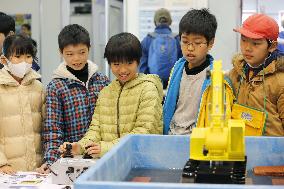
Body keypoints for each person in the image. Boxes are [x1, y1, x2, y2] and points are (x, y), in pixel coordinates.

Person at [60, 32, 163, 158]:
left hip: (143, 161)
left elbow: (144, 131)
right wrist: (80, 147)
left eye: (129, 63)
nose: (123, 70)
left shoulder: (148, 88)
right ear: (109, 64)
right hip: (113, 163)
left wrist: (106, 148)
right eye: (116, 64)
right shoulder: (105, 92)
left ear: (138, 61)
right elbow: (96, 130)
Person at [38, 24, 109, 172]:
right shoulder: (56, 86)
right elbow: (53, 128)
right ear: (61, 52)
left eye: (82, 52)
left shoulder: (102, 81)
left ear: (89, 48)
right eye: (70, 54)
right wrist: (52, 162)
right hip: (71, 161)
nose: (76, 59)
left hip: (101, 156)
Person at [163, 8, 217, 135]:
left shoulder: (215, 75)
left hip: (197, 139)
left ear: (210, 43)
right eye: (185, 41)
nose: (190, 48)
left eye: (197, 42)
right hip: (171, 134)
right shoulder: (177, 68)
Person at [229, 13, 284, 136]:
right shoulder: (235, 73)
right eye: (243, 40)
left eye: (256, 43)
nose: (247, 48)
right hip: (239, 149)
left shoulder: (280, 82)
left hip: (271, 152)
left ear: (272, 46)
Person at [0, 35, 45, 174]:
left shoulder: (38, 87)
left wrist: (47, 161)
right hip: (8, 171)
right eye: (18, 57)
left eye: (28, 56)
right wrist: (2, 164)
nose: (24, 62)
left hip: (38, 170)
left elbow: (47, 128)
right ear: (4, 60)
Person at [139, 8, 182, 89]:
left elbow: (142, 67)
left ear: (155, 22)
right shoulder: (177, 39)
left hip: (153, 85)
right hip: (173, 85)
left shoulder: (148, 39)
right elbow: (182, 64)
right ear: (170, 22)